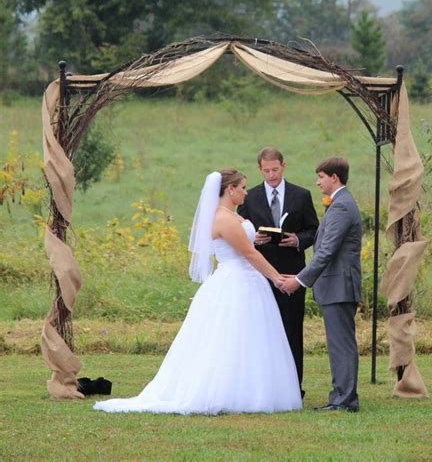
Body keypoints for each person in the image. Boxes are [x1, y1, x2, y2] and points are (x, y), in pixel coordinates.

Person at [94, 168, 301, 415]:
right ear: (230, 189)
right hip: (236, 280)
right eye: (242, 187)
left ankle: (250, 389)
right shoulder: (223, 218)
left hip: (247, 280)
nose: (246, 192)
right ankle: (225, 391)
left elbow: (245, 246)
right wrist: (276, 277)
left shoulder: (231, 216)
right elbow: (248, 253)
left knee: (249, 337)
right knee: (228, 338)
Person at [281, 157, 361, 413]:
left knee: (341, 344)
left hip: (338, 286)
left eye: (321, 177)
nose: (317, 183)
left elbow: (326, 251)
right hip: (335, 286)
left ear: (333, 178)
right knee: (339, 343)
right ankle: (340, 396)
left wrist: (300, 280)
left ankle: (344, 400)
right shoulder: (339, 204)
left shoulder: (341, 207)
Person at [237, 147, 318, 395]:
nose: (271, 174)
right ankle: (263, 386)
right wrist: (254, 240)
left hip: (292, 273)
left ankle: (294, 387)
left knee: (291, 330)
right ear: (259, 169)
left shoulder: (301, 195)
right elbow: (239, 233)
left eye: (275, 169)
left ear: (283, 166)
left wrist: (297, 240)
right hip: (259, 275)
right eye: (266, 170)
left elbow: (314, 230)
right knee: (260, 331)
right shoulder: (248, 198)